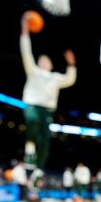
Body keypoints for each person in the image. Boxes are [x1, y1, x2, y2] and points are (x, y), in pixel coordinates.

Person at [20, 13, 77, 177]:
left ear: (51, 65)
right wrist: (25, 31)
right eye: (41, 60)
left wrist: (71, 65)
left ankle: (38, 170)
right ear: (38, 63)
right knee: (31, 121)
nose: (44, 62)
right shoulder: (33, 71)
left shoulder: (56, 78)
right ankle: (29, 150)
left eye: (47, 61)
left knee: (45, 140)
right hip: (33, 106)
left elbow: (70, 80)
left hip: (48, 110)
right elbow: (26, 52)